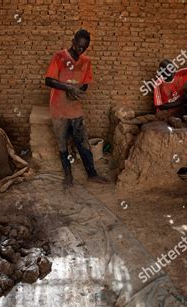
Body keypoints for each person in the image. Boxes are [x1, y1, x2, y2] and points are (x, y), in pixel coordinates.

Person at [44, 29, 107, 188]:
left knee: (83, 142)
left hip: (75, 108)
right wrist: (68, 88)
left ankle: (92, 174)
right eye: (79, 46)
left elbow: (86, 83)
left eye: (84, 48)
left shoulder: (86, 61)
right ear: (73, 41)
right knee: (62, 143)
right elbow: (49, 81)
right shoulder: (59, 57)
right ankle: (68, 176)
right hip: (58, 108)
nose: (81, 50)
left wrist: (79, 91)